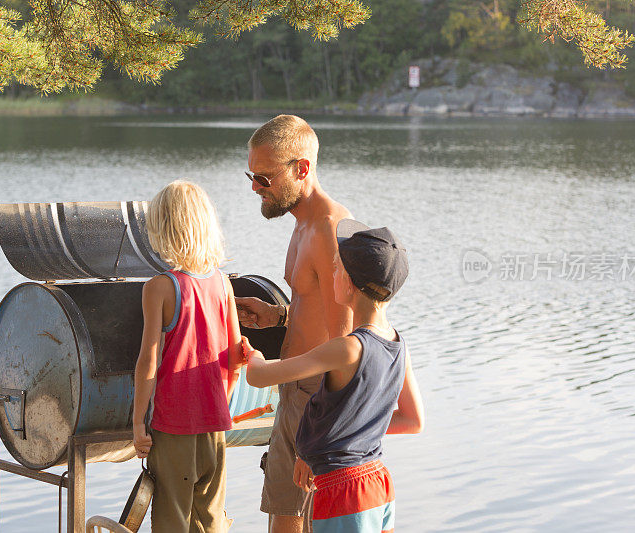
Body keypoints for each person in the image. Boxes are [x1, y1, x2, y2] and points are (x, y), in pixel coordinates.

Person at [243, 219, 425, 533]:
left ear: (350, 284)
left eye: (337, 269)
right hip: (378, 483)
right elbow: (412, 421)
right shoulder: (398, 344)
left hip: (343, 491)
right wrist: (327, 447)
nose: (333, 276)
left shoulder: (346, 349)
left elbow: (259, 377)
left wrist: (250, 353)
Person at [236, 114, 353, 533]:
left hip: (316, 399)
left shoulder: (329, 229)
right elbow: (319, 308)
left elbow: (349, 343)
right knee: (282, 520)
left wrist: (320, 435)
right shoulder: (302, 223)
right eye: (252, 175)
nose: (254, 186)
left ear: (301, 169)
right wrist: (277, 316)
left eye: (264, 178)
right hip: (294, 392)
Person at [132, 180, 243, 533]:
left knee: (172, 519)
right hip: (215, 426)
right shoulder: (222, 283)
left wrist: (137, 424)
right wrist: (221, 401)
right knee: (210, 519)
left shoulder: (159, 287)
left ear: (161, 230)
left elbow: (148, 362)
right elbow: (236, 357)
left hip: (172, 426)